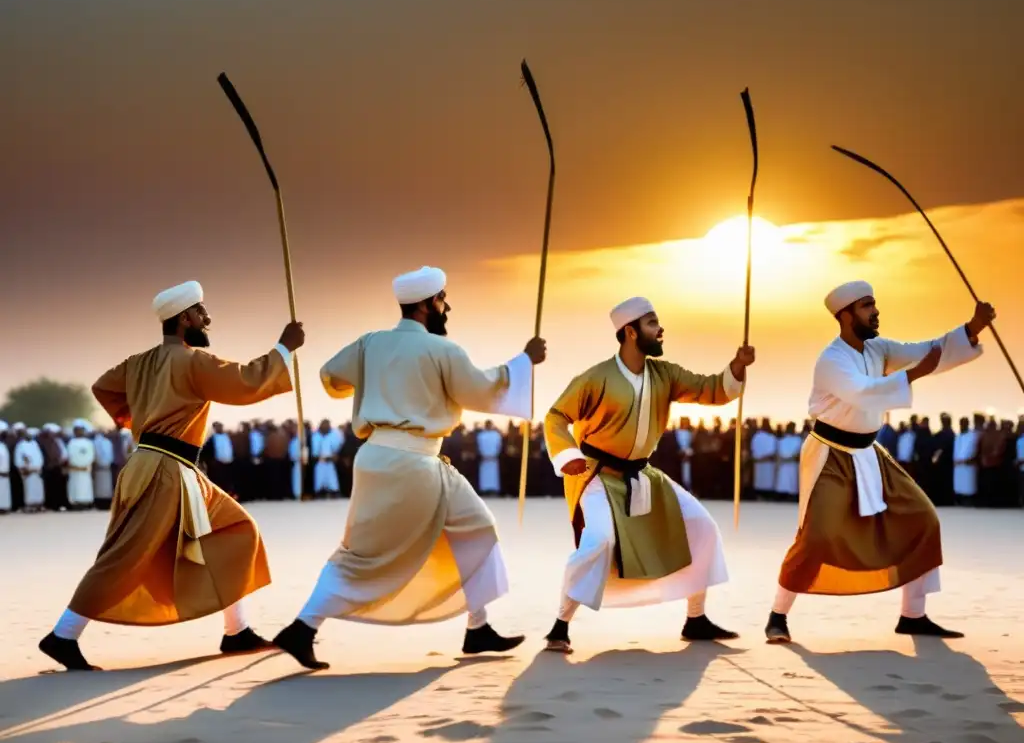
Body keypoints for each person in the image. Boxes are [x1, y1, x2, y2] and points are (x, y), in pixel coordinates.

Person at [273, 266, 545, 670]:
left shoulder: (369, 344)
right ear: (423, 305)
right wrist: (525, 361)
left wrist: (371, 380)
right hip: (414, 465)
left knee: (475, 525)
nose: (445, 306)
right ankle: (302, 628)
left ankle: (478, 626)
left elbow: (330, 376)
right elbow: (483, 387)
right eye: (441, 299)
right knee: (366, 556)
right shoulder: (443, 350)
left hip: (380, 459)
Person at [38, 280, 304, 671]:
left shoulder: (138, 362)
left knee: (234, 529)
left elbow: (103, 386)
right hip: (163, 470)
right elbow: (247, 380)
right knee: (123, 556)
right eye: (201, 312)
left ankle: (237, 631)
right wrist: (285, 346)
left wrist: (139, 416)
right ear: (185, 318)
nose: (207, 319)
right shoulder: (192, 360)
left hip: (170, 468)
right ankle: (63, 636)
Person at [765, 280, 994, 643]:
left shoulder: (879, 349)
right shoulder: (832, 359)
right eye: (867, 305)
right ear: (845, 314)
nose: (876, 311)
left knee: (923, 519)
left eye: (874, 304)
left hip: (871, 453)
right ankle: (777, 616)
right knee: (817, 536)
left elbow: (926, 351)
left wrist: (971, 329)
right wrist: (915, 374)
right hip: (830, 454)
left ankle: (913, 615)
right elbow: (862, 393)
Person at [541, 296, 755, 652]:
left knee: (702, 526)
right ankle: (560, 626)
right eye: (653, 324)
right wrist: (567, 455)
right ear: (630, 332)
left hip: (642, 475)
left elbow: (712, 390)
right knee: (599, 542)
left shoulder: (665, 375)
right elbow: (556, 417)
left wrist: (736, 365)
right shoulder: (596, 377)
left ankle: (696, 619)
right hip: (596, 475)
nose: (660, 330)